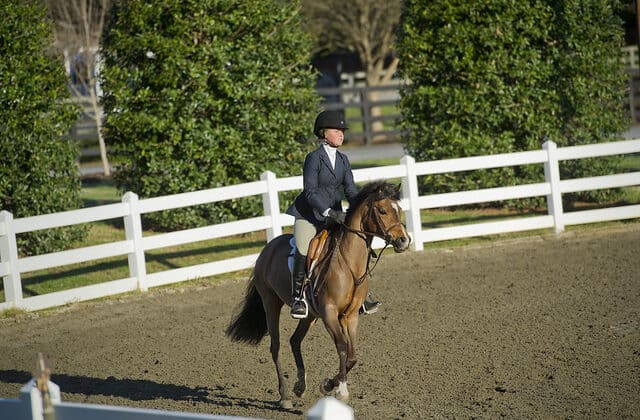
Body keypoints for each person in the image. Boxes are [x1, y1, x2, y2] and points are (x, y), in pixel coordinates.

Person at [285, 110, 381, 319]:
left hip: (335, 213)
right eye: (336, 130)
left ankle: (361, 295)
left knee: (355, 244)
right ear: (323, 133)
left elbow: (350, 190)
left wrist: (360, 207)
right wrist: (328, 212)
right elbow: (309, 191)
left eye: (342, 131)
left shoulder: (343, 159)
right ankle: (298, 297)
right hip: (309, 214)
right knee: (303, 248)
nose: (341, 134)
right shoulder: (313, 158)